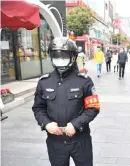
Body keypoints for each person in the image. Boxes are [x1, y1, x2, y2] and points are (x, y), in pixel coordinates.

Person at [32, 37, 100, 166]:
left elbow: (93, 108)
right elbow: (38, 108)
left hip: (80, 140)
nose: (60, 59)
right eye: (56, 55)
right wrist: (46, 124)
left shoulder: (84, 81)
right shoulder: (44, 82)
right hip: (55, 141)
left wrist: (75, 124)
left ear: (73, 57)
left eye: (64, 56)